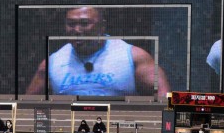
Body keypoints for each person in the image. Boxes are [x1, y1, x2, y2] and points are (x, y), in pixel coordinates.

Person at [25, 6, 172, 98]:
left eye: (84, 23)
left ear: (102, 26)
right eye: (71, 24)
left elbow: (164, 96)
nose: (76, 30)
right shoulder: (52, 62)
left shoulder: (134, 56)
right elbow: (27, 105)